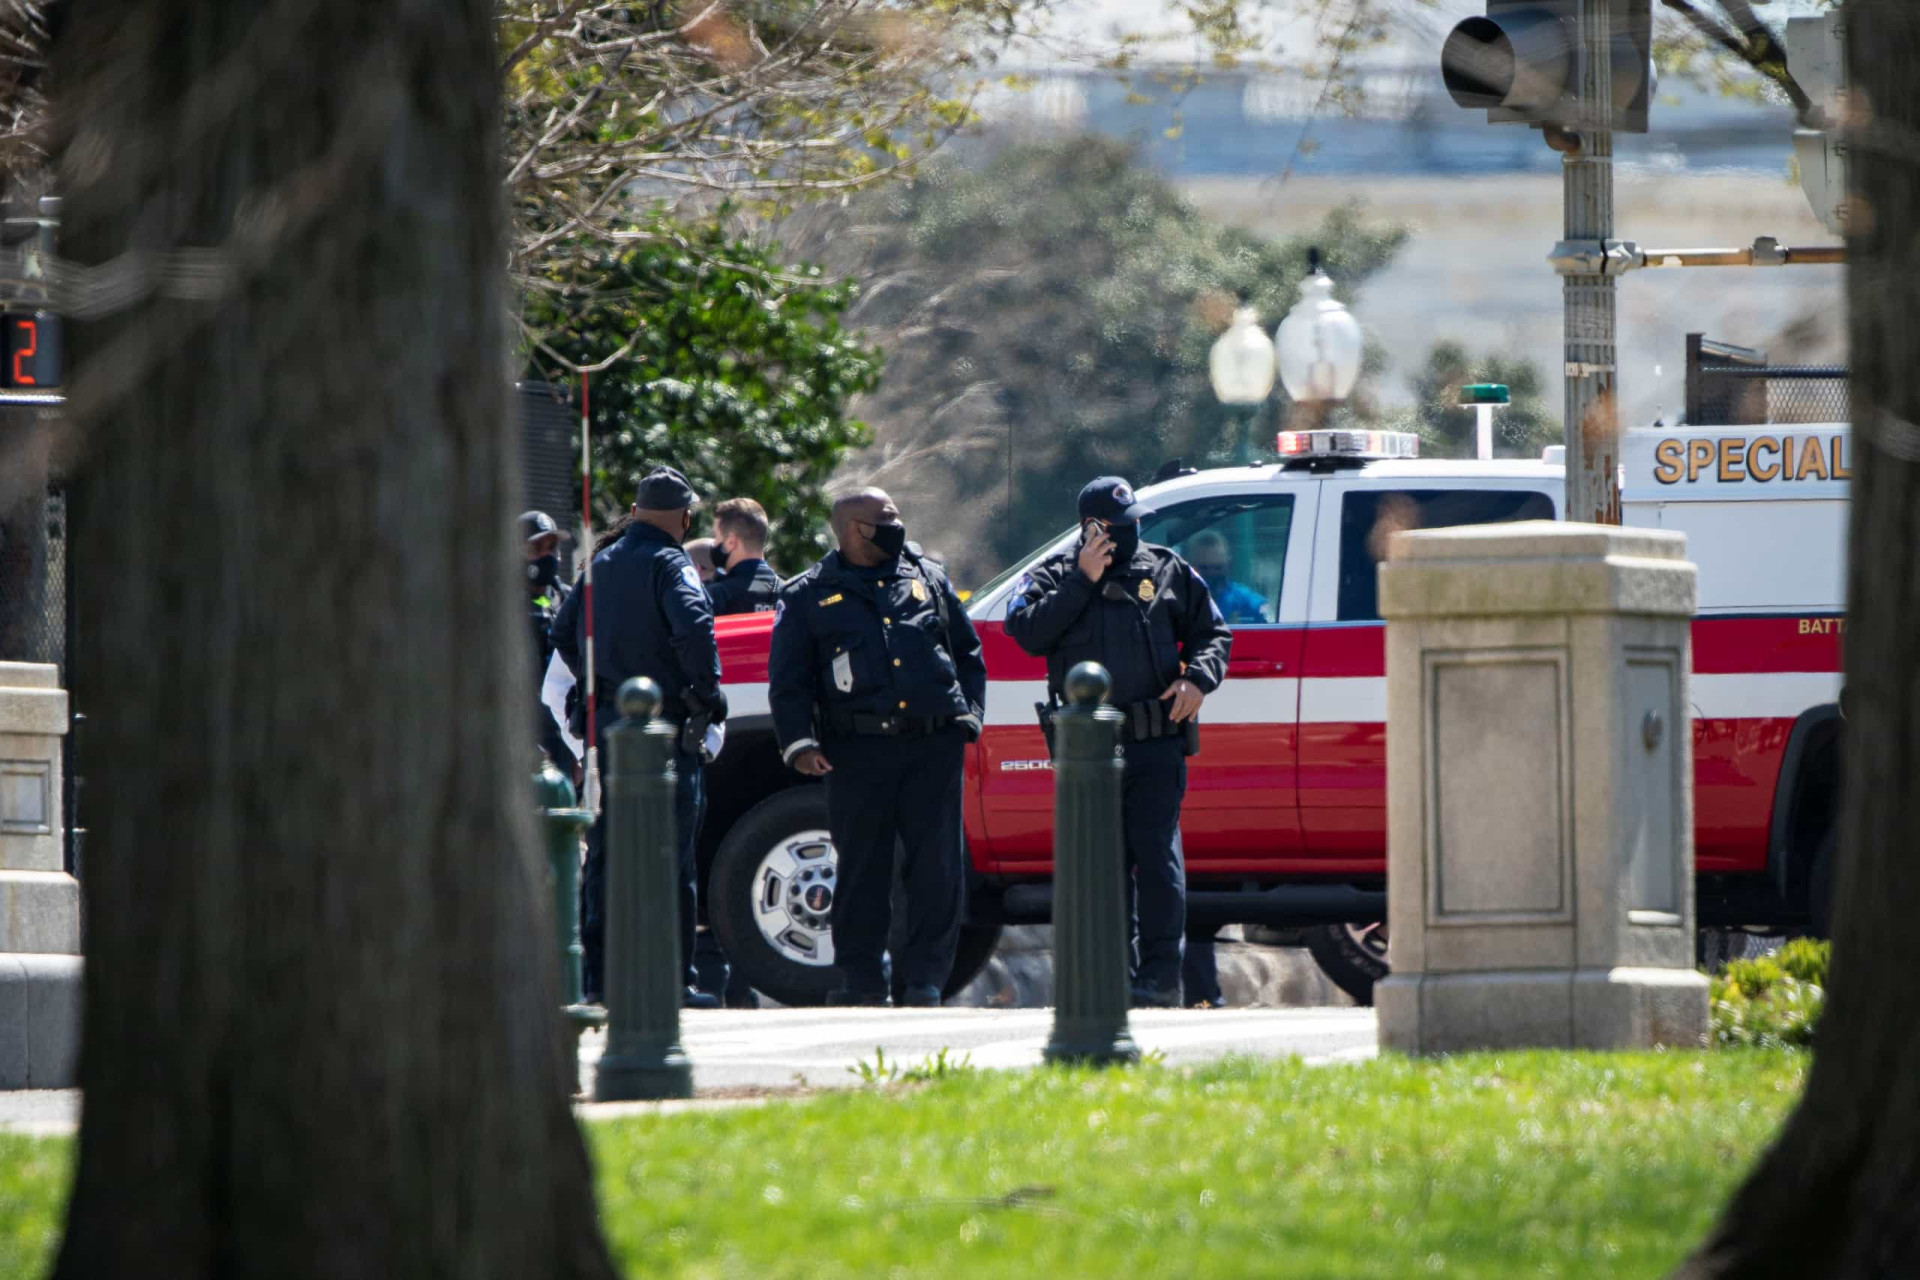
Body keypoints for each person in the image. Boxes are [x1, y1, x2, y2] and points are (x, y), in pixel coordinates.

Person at [1005, 476, 1233, 1007]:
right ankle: (1110, 975)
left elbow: (1214, 632)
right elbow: (1028, 633)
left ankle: (1159, 977)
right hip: (1089, 749)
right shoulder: (1054, 576)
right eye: (1119, 528)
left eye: (1135, 525)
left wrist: (1198, 678)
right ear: (1091, 529)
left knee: (1156, 859)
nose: (1131, 535)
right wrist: (1081, 583)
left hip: (1156, 741)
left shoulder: (1166, 568)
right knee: (1100, 866)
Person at [768, 488, 987, 1007]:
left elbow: (969, 654)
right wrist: (799, 744)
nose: (897, 524)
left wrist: (969, 716)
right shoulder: (807, 594)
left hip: (932, 748)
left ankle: (925, 982)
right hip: (856, 750)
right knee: (863, 871)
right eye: (885, 518)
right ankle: (863, 981)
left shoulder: (927, 578)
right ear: (852, 530)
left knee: (937, 869)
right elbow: (789, 682)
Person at [553, 466, 725, 1010]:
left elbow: (561, 634)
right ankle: (670, 981)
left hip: (606, 734)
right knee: (671, 857)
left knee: (604, 856)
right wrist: (707, 695)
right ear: (685, 517)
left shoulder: (598, 564)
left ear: (634, 511)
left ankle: (600, 978)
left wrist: (596, 682)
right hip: (666, 731)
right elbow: (695, 626)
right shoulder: (671, 563)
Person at [521, 510, 577, 773]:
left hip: (564, 731)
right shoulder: (499, 608)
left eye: (553, 547)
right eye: (536, 547)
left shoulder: (567, 600)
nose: (548, 555)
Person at [706, 497, 781, 615]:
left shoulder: (715, 596)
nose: (714, 543)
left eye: (716, 536)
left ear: (731, 542)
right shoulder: (788, 593)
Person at [1184, 530, 1268, 624]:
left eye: (1218, 567)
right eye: (1204, 568)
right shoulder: (1176, 601)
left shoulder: (1248, 602)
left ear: (1228, 565)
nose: (1212, 573)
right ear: (1189, 566)